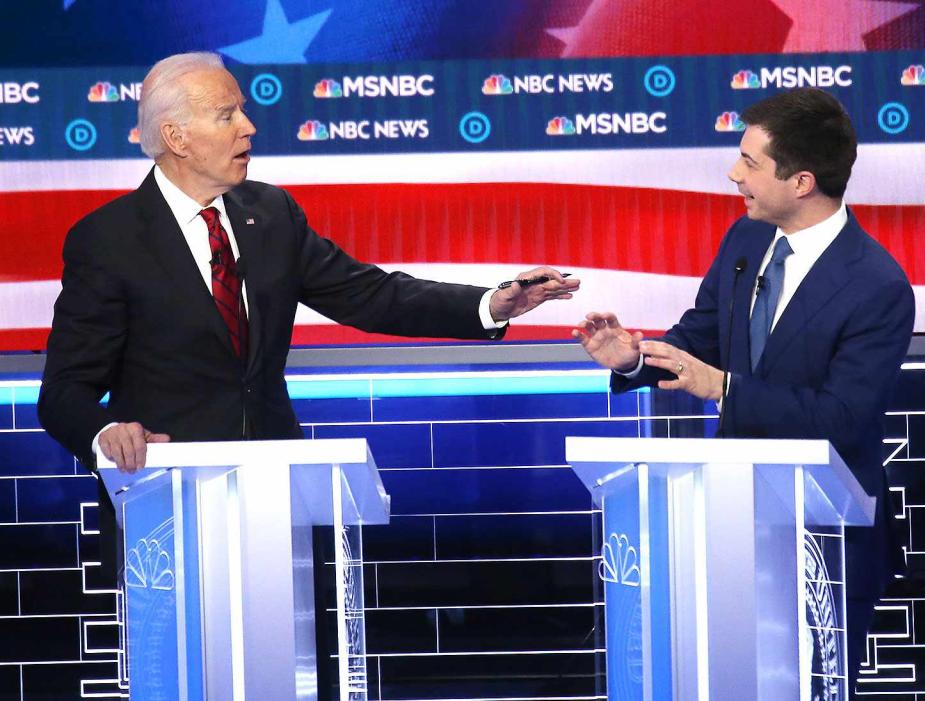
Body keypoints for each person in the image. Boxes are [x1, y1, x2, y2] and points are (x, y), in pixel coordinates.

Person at [38, 51, 578, 561]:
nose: (248, 128)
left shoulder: (269, 213)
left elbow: (371, 295)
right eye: (227, 116)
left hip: (275, 496)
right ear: (176, 137)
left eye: (243, 111)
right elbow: (65, 390)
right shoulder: (108, 240)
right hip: (163, 503)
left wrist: (491, 305)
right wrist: (104, 433)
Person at [573, 88, 914, 686]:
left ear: (802, 181)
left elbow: (842, 418)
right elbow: (701, 337)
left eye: (750, 163)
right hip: (728, 526)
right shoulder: (746, 241)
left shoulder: (878, 285)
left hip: (824, 542)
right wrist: (634, 359)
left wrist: (724, 388)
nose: (734, 174)